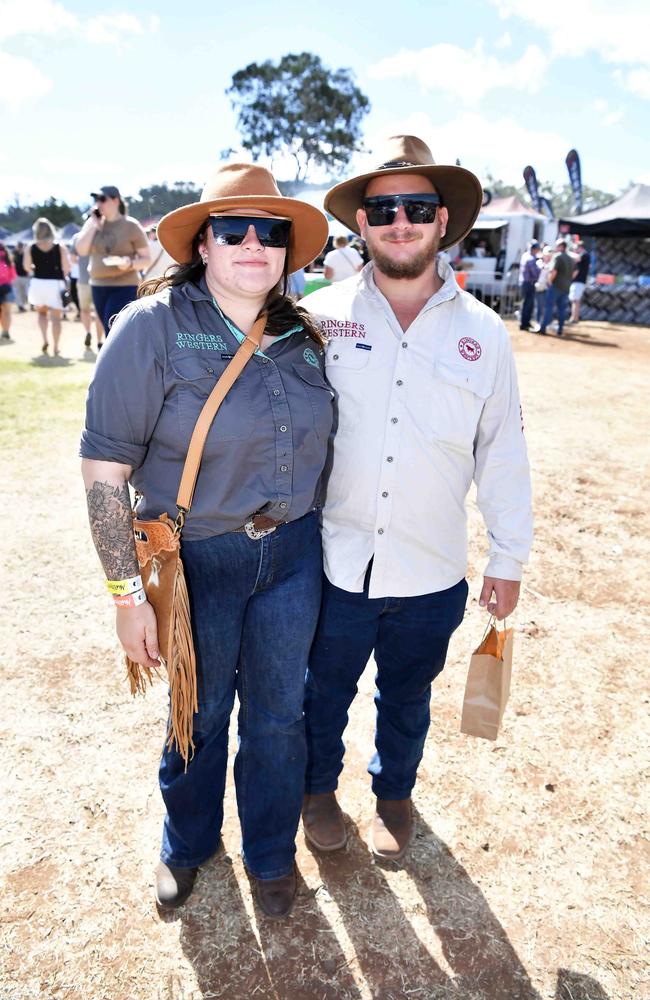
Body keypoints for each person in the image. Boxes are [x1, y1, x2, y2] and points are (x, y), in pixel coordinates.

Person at [80, 162, 331, 917]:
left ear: (288, 248)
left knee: (280, 716)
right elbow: (102, 474)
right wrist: (128, 597)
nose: (254, 243)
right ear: (205, 245)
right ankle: (186, 845)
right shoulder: (150, 327)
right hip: (199, 563)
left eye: (272, 231)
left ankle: (268, 853)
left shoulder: (302, 331)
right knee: (200, 710)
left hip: (294, 557)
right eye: (234, 229)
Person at [298, 135, 533, 861]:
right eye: (383, 207)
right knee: (321, 695)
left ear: (442, 221)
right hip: (334, 562)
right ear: (361, 224)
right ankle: (317, 791)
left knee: (406, 697)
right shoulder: (320, 313)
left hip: (433, 568)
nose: (400, 221)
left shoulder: (485, 333)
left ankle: (394, 794)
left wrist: (508, 554)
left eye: (417, 207)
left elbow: (502, 448)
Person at [74, 185, 150, 335]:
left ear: (116, 201)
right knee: (109, 330)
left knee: (113, 328)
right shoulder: (92, 224)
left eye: (102, 199)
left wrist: (130, 264)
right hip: (98, 285)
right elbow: (81, 250)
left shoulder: (131, 225)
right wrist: (93, 226)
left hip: (125, 285)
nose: (98, 203)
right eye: (96, 200)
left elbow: (146, 259)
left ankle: (118, 358)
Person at [23, 217, 71, 356]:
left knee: (42, 314)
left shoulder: (31, 247)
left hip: (38, 283)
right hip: (55, 284)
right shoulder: (59, 247)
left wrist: (36, 266)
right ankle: (56, 347)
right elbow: (67, 267)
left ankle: (45, 339)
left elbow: (27, 267)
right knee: (56, 318)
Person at [71, 235, 104, 350]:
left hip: (83, 280)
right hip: (99, 280)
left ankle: (88, 332)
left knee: (84, 310)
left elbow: (73, 259)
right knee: (99, 312)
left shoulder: (78, 238)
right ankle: (99, 341)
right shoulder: (102, 236)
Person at [539, 238, 573, 336]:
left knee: (549, 307)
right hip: (566, 287)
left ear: (561, 247)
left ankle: (543, 327)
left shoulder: (557, 256)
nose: (556, 247)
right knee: (562, 309)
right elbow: (575, 272)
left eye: (557, 246)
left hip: (556, 286)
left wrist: (550, 282)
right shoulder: (570, 258)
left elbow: (553, 271)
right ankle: (560, 330)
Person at [518, 240, 540, 331]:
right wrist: (540, 268)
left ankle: (525, 322)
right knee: (528, 304)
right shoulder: (531, 258)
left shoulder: (525, 255)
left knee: (526, 303)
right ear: (534, 249)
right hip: (529, 283)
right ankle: (524, 323)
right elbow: (535, 273)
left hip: (524, 282)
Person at [568, 240, 590, 324]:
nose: (575, 250)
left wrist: (567, 252)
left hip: (579, 281)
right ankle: (574, 317)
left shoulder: (584, 254)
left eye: (576, 248)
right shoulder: (584, 255)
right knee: (575, 300)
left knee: (575, 300)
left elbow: (577, 258)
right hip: (579, 281)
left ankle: (574, 318)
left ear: (580, 247)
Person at [0, 242, 17, 342]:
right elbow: (13, 276)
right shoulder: (9, 261)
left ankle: (3, 331)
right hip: (8, 288)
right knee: (7, 312)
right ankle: (6, 331)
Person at [535, 246, 553, 326]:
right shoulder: (539, 262)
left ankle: (546, 323)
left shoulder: (552, 264)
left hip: (547, 288)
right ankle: (538, 322)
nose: (548, 257)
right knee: (539, 306)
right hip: (539, 287)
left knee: (547, 307)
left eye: (550, 256)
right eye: (547, 255)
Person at [12, 242, 30, 312]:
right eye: (19, 246)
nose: (20, 248)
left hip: (25, 276)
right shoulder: (14, 254)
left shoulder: (25, 254)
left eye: (21, 246)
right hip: (16, 276)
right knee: (18, 292)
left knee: (25, 293)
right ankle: (20, 306)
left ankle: (22, 304)